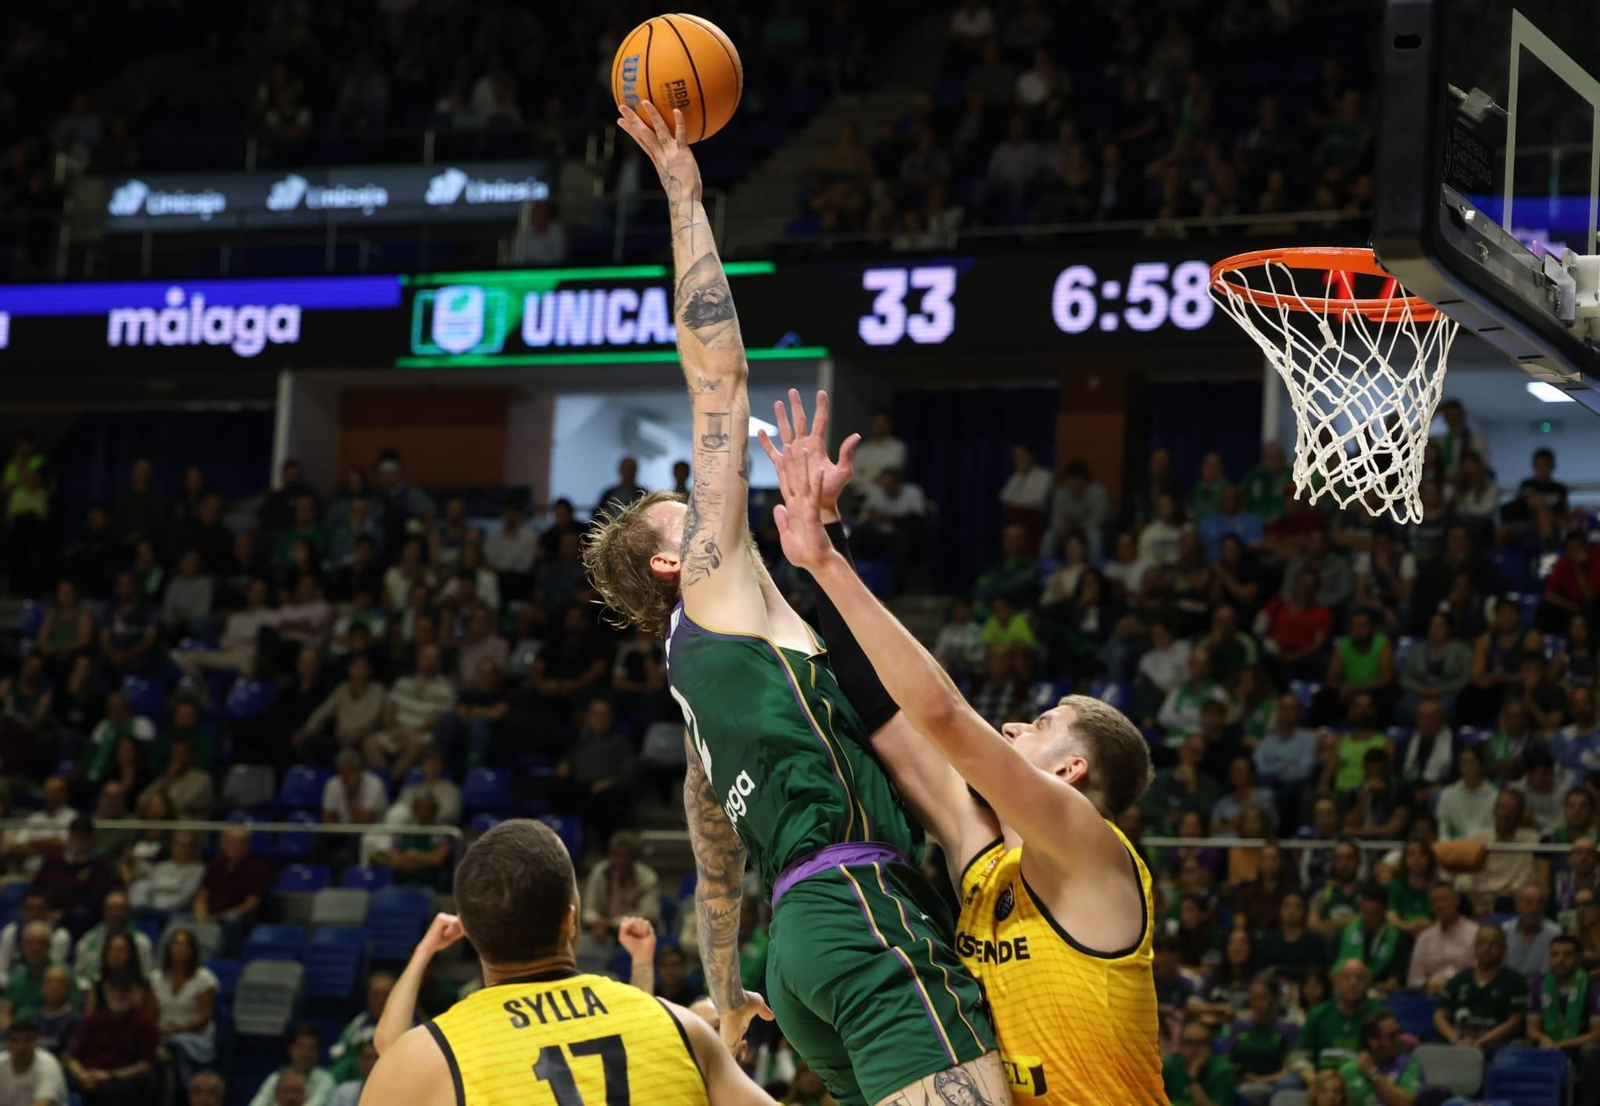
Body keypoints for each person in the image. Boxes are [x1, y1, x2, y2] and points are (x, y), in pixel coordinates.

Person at [580, 107, 1002, 1103]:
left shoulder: (702, 696)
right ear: (673, 560)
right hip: (859, 906)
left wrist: (727, 989)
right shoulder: (714, 581)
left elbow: (713, 861)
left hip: (797, 949)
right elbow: (718, 380)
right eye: (691, 509)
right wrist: (684, 193)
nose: (714, 507)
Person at [763, 400, 1162, 1101]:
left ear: (1072, 770)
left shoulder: (1088, 844)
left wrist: (825, 566)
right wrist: (828, 526)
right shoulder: (984, 861)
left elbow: (945, 717)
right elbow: (888, 713)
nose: (1012, 728)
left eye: (1039, 725)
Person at [365, 819, 775, 1104]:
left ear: (470, 933)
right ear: (571, 919)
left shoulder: (429, 1056)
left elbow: (389, 1046)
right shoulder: (679, 1028)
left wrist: (423, 950)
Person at [64, 972, 157, 1106]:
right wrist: (82, 1076)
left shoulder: (144, 1023)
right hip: (87, 1076)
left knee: (113, 1093)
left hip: (121, 1079)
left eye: (124, 990)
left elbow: (145, 1066)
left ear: (133, 994)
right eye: (114, 990)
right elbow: (72, 1058)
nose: (119, 994)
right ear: (106, 993)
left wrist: (109, 1075)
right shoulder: (93, 1019)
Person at [1525, 934, 1600, 1097]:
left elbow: (1596, 1034)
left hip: (1578, 1046)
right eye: (1555, 954)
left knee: (1591, 1052)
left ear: (1578, 958)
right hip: (1548, 1043)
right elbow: (1532, 1029)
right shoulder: (1539, 986)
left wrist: (1563, 1043)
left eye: (1567, 955)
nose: (1560, 960)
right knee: (1518, 1046)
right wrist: (1542, 1038)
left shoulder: (1593, 988)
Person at [1435, 925, 1528, 1055]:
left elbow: (1515, 1022)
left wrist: (1479, 1042)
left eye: (1493, 944)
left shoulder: (1515, 981)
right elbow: (1440, 1015)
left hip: (1496, 1044)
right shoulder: (1459, 979)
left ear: (1504, 949)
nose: (1487, 948)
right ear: (1475, 947)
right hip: (1459, 1041)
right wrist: (1455, 1039)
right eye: (1482, 943)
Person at [1290, 959, 1385, 1083]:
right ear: (1336, 981)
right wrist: (1314, 1081)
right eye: (1347, 977)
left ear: (1368, 984)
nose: (1353, 983)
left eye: (1360, 978)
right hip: (1319, 1079)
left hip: (1362, 1081)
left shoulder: (1379, 1015)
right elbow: (1299, 1055)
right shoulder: (1319, 1012)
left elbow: (1391, 1058)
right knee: (1285, 1086)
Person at [148, 929, 217, 1091]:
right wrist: (158, 1027)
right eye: (176, 944)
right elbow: (149, 1013)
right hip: (161, 1033)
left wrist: (176, 1029)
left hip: (194, 1036)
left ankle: (186, 1092)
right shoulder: (155, 978)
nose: (180, 948)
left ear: (192, 950)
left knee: (176, 1047)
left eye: (184, 944)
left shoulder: (204, 979)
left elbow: (205, 1017)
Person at [1457, 789, 1541, 916]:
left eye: (1512, 810)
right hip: (1478, 902)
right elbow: (1464, 880)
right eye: (1502, 807)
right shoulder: (1476, 838)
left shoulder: (1532, 839)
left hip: (1514, 905)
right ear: (1494, 810)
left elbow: (1529, 880)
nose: (1505, 814)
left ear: (1520, 815)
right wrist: (1475, 902)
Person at [1334, 884, 1412, 993]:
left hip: (1380, 995)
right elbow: (1332, 972)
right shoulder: (1346, 932)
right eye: (1365, 911)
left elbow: (1393, 983)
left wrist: (1366, 987)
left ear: (1384, 912)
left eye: (1374, 913)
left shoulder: (1397, 940)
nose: (1368, 917)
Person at [1336, 1012, 1423, 1106]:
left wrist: (1372, 1072)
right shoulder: (1347, 1072)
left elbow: (1406, 1103)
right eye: (1392, 1036)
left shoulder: (1408, 1065)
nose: (1399, 1039)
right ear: (1373, 1042)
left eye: (1398, 1033)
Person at [1408, 882, 1480, 995]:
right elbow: (1414, 979)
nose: (1440, 906)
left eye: (1444, 899)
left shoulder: (1475, 932)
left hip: (1466, 994)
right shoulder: (1425, 937)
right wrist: (1427, 985)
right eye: (1434, 902)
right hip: (1431, 994)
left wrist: (1451, 985)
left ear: (1457, 900)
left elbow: (1481, 974)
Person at [192, 826, 270, 929]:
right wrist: (202, 916)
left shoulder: (257, 870)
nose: (235, 846)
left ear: (246, 845)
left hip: (238, 918)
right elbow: (201, 896)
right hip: (209, 916)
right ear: (223, 843)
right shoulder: (214, 865)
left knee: (231, 920)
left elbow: (251, 905)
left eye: (240, 842)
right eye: (231, 841)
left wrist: (219, 917)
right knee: (180, 921)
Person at [327, 975, 391, 1085]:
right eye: (376, 995)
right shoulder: (357, 1024)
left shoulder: (409, 1025)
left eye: (386, 995)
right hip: (358, 1083)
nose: (381, 1000)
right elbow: (339, 1053)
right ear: (368, 997)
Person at [248, 1025, 332, 1106]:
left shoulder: (325, 1080)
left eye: (312, 1048)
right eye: (301, 1047)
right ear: (291, 1049)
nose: (306, 1053)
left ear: (318, 1052)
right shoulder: (275, 1078)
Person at [1163, 1019, 1235, 1106]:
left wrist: (1194, 1079)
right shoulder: (1168, 1067)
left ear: (1209, 1046)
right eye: (1189, 1043)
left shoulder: (1222, 1072)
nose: (1195, 1049)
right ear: (1180, 1046)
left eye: (1201, 1043)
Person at [1436, 745, 1498, 841]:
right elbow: (1443, 830)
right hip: (1455, 847)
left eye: (1471, 763)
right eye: (1463, 763)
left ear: (1481, 766)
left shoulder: (1495, 796)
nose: (1467, 768)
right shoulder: (1448, 795)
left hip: (1485, 845)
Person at [0, 1020, 66, 1106]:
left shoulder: (48, 1065)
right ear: (7, 1043)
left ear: (37, 1042)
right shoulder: (1, 1061)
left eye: (27, 1040)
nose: (21, 1047)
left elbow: (43, 1103)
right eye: (14, 1040)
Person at [0, 896, 67, 980]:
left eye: (40, 909)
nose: (34, 913)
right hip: (13, 981)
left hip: (48, 982)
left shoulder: (59, 935)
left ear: (48, 911)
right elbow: (2, 968)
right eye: (28, 909)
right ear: (21, 911)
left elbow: (56, 970)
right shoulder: (11, 931)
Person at [1504, 882, 1562, 978]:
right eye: (1529, 903)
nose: (1534, 908)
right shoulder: (1504, 932)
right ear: (1517, 905)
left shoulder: (1555, 934)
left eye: (1539, 903)